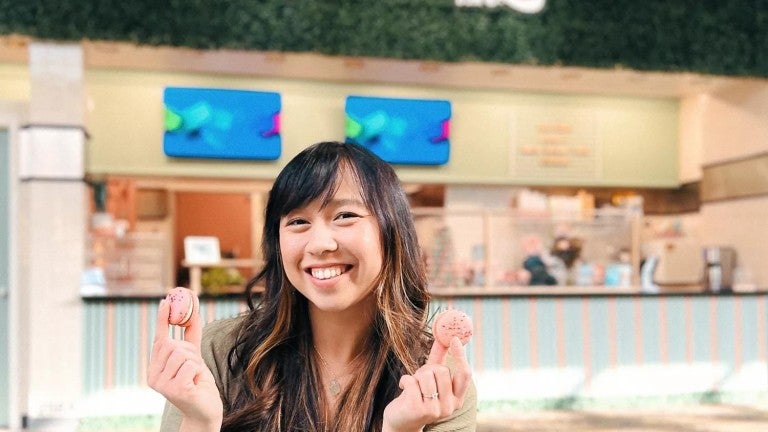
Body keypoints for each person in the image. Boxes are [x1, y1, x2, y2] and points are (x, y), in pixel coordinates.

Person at [149, 141, 477, 431]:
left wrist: (400, 430)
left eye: (345, 215)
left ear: (392, 233)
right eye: (298, 222)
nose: (319, 244)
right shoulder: (222, 352)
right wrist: (200, 423)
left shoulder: (436, 377)